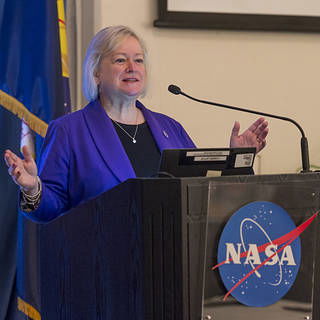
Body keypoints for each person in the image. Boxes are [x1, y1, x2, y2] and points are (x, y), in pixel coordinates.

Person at [4, 25, 268, 223]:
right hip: (104, 272)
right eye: (120, 60)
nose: (132, 67)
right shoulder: (69, 131)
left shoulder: (171, 128)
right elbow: (53, 208)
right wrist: (33, 188)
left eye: (139, 60)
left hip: (174, 265)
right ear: (96, 72)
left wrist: (237, 159)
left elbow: (203, 198)